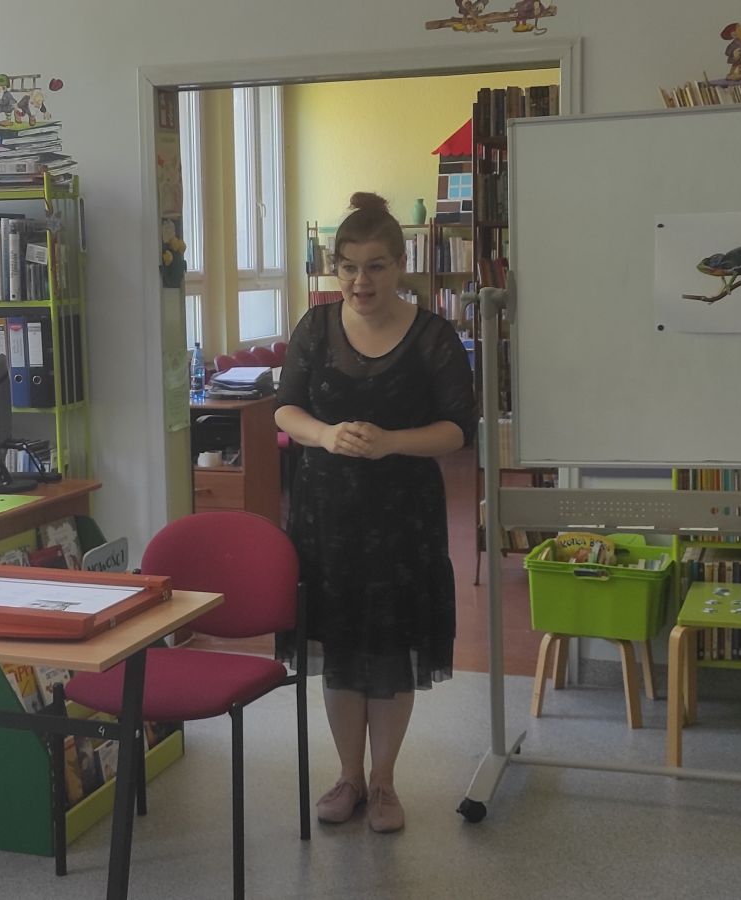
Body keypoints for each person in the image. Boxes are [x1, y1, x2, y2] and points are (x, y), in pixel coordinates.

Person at [275, 191, 476, 834]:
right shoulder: (314, 328)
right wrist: (325, 434)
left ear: (400, 266)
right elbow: (286, 408)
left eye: (377, 267)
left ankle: (384, 781)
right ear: (334, 268)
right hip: (325, 515)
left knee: (391, 649)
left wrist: (390, 442)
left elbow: (458, 430)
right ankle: (349, 776)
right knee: (338, 646)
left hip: (402, 517)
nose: (361, 282)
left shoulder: (433, 336)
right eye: (349, 267)